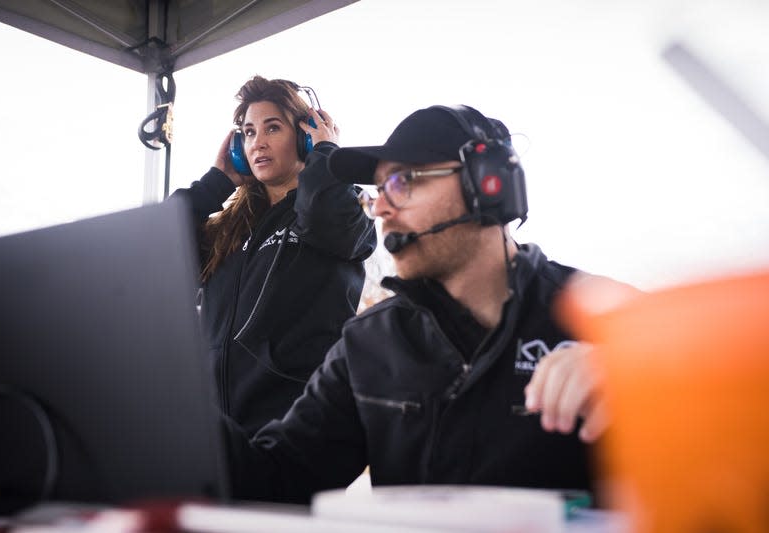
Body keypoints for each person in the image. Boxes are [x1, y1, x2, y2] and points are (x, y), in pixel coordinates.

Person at [224, 104, 613, 503]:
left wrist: (643, 377)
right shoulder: (368, 344)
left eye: (403, 182)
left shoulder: (606, 318)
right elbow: (279, 476)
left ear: (487, 182)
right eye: (379, 191)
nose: (381, 209)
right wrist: (171, 414)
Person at [171, 76, 376, 435]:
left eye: (272, 128)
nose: (258, 143)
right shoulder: (230, 229)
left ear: (304, 137)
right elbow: (164, 247)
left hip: (295, 432)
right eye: (248, 133)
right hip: (220, 434)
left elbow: (329, 221)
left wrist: (326, 155)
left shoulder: (341, 206)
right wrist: (215, 183)